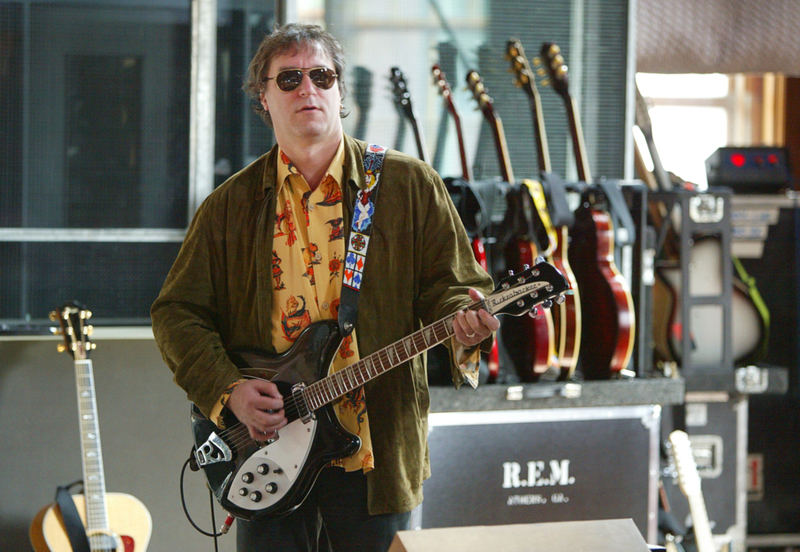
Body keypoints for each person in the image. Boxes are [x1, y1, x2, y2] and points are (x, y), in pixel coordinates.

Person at [151, 22, 499, 552]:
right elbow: (177, 312)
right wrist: (229, 390)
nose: (307, 89)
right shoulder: (229, 206)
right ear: (263, 99)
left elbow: (454, 289)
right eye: (288, 79)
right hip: (267, 448)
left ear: (340, 93)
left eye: (322, 75)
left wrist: (468, 326)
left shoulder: (409, 185)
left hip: (375, 456)